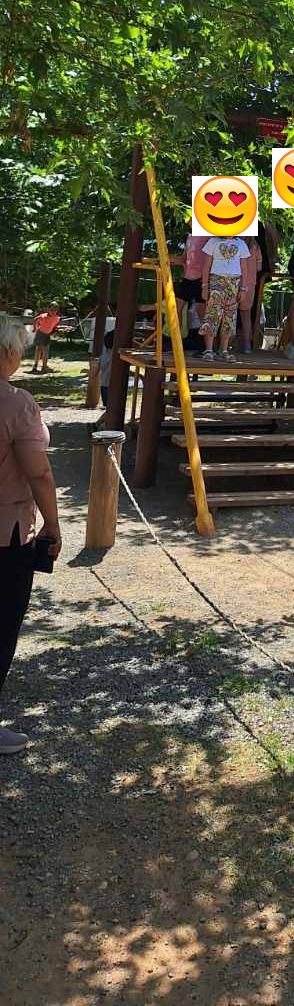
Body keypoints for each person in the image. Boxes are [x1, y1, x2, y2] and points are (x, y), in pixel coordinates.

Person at [0, 315, 61, 755]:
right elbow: (38, 472)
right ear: (8, 353)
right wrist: (53, 525)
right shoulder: (16, 404)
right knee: (2, 626)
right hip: (6, 534)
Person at [199, 236, 251, 360]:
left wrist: (243, 288)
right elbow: (206, 265)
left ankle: (224, 350)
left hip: (234, 282)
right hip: (216, 280)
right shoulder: (213, 241)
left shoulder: (241, 244)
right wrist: (204, 286)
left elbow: (244, 267)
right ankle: (209, 350)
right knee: (213, 313)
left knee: (230, 315)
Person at [236, 236, 263, 355]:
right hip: (249, 283)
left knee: (227, 313)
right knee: (246, 315)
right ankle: (247, 345)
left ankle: (221, 346)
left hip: (233, 281)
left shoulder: (234, 243)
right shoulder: (255, 246)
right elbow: (259, 267)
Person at [31, 304, 60, 374]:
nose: (53, 311)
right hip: (40, 334)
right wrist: (34, 328)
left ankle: (44, 366)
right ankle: (35, 366)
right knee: (38, 350)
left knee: (46, 351)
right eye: (52, 310)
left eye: (55, 310)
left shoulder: (57, 318)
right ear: (48, 309)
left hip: (47, 335)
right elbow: (35, 319)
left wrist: (55, 330)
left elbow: (54, 325)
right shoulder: (43, 316)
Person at [98, 330, 115, 409]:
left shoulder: (104, 354)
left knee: (107, 406)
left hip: (104, 385)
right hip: (111, 386)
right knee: (111, 406)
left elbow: (98, 367)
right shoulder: (115, 356)